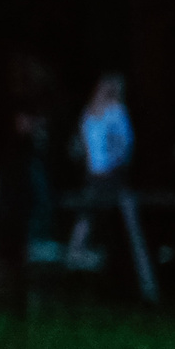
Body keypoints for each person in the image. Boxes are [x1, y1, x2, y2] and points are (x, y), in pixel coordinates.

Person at [66, 72, 156, 299]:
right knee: (92, 216)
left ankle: (132, 273)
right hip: (99, 174)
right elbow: (92, 142)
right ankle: (76, 260)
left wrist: (113, 162)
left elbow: (123, 143)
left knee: (111, 217)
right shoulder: (98, 112)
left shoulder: (106, 112)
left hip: (105, 173)